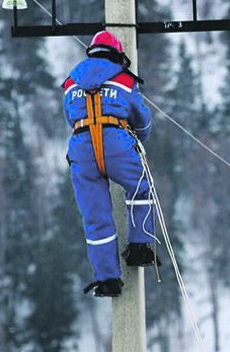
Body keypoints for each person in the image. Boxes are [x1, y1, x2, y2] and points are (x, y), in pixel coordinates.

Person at [63, 31, 160, 298]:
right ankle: (140, 247)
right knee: (142, 189)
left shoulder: (71, 82)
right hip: (116, 143)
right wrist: (137, 138)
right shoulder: (125, 79)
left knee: (96, 217)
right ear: (117, 55)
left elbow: (70, 118)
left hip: (81, 150)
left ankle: (107, 280)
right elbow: (141, 119)